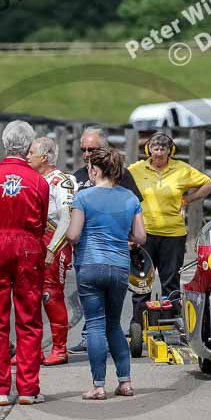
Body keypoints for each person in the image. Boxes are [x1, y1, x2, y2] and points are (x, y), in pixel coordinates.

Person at [0, 120, 49, 406]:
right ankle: (28, 389)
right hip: (27, 245)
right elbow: (42, 220)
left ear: (4, 144)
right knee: (29, 318)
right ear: (29, 146)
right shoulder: (39, 181)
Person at [66, 145, 145, 400]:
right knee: (114, 324)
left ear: (95, 170)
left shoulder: (83, 197)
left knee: (95, 325)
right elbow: (140, 236)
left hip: (90, 265)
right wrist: (121, 233)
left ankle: (98, 386)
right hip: (119, 266)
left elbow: (74, 235)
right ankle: (125, 382)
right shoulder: (130, 198)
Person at [127, 132, 211, 326]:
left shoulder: (181, 169)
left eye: (163, 149)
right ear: (148, 150)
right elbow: (119, 184)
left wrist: (188, 199)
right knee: (142, 282)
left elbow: (209, 184)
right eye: (155, 148)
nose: (158, 153)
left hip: (173, 235)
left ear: (170, 151)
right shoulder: (136, 169)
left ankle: (170, 323)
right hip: (144, 234)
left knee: (171, 281)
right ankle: (138, 324)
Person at [27, 137, 77, 366]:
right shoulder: (33, 178)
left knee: (50, 294)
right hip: (33, 240)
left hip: (54, 241)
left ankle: (60, 348)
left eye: (32, 153)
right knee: (30, 296)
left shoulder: (62, 181)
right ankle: (32, 349)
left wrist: (51, 249)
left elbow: (67, 217)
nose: (27, 156)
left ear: (44, 157)